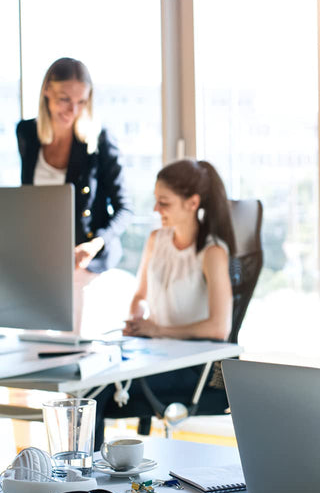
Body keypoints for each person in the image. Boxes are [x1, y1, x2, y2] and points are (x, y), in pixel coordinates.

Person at [94, 158, 236, 445]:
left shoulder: (212, 253)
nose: (156, 210)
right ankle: (78, 475)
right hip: (155, 356)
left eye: (164, 203)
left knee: (96, 393)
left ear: (192, 203)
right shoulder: (156, 239)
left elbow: (219, 328)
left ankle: (79, 478)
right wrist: (137, 320)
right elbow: (139, 296)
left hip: (198, 368)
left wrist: (157, 331)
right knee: (88, 383)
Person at [16, 57, 131, 332]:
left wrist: (96, 244)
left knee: (68, 314)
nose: (73, 109)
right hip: (42, 252)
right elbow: (27, 199)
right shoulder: (28, 133)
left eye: (82, 102)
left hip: (86, 253)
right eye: (65, 99)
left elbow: (124, 209)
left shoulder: (98, 140)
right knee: (27, 319)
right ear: (46, 91)